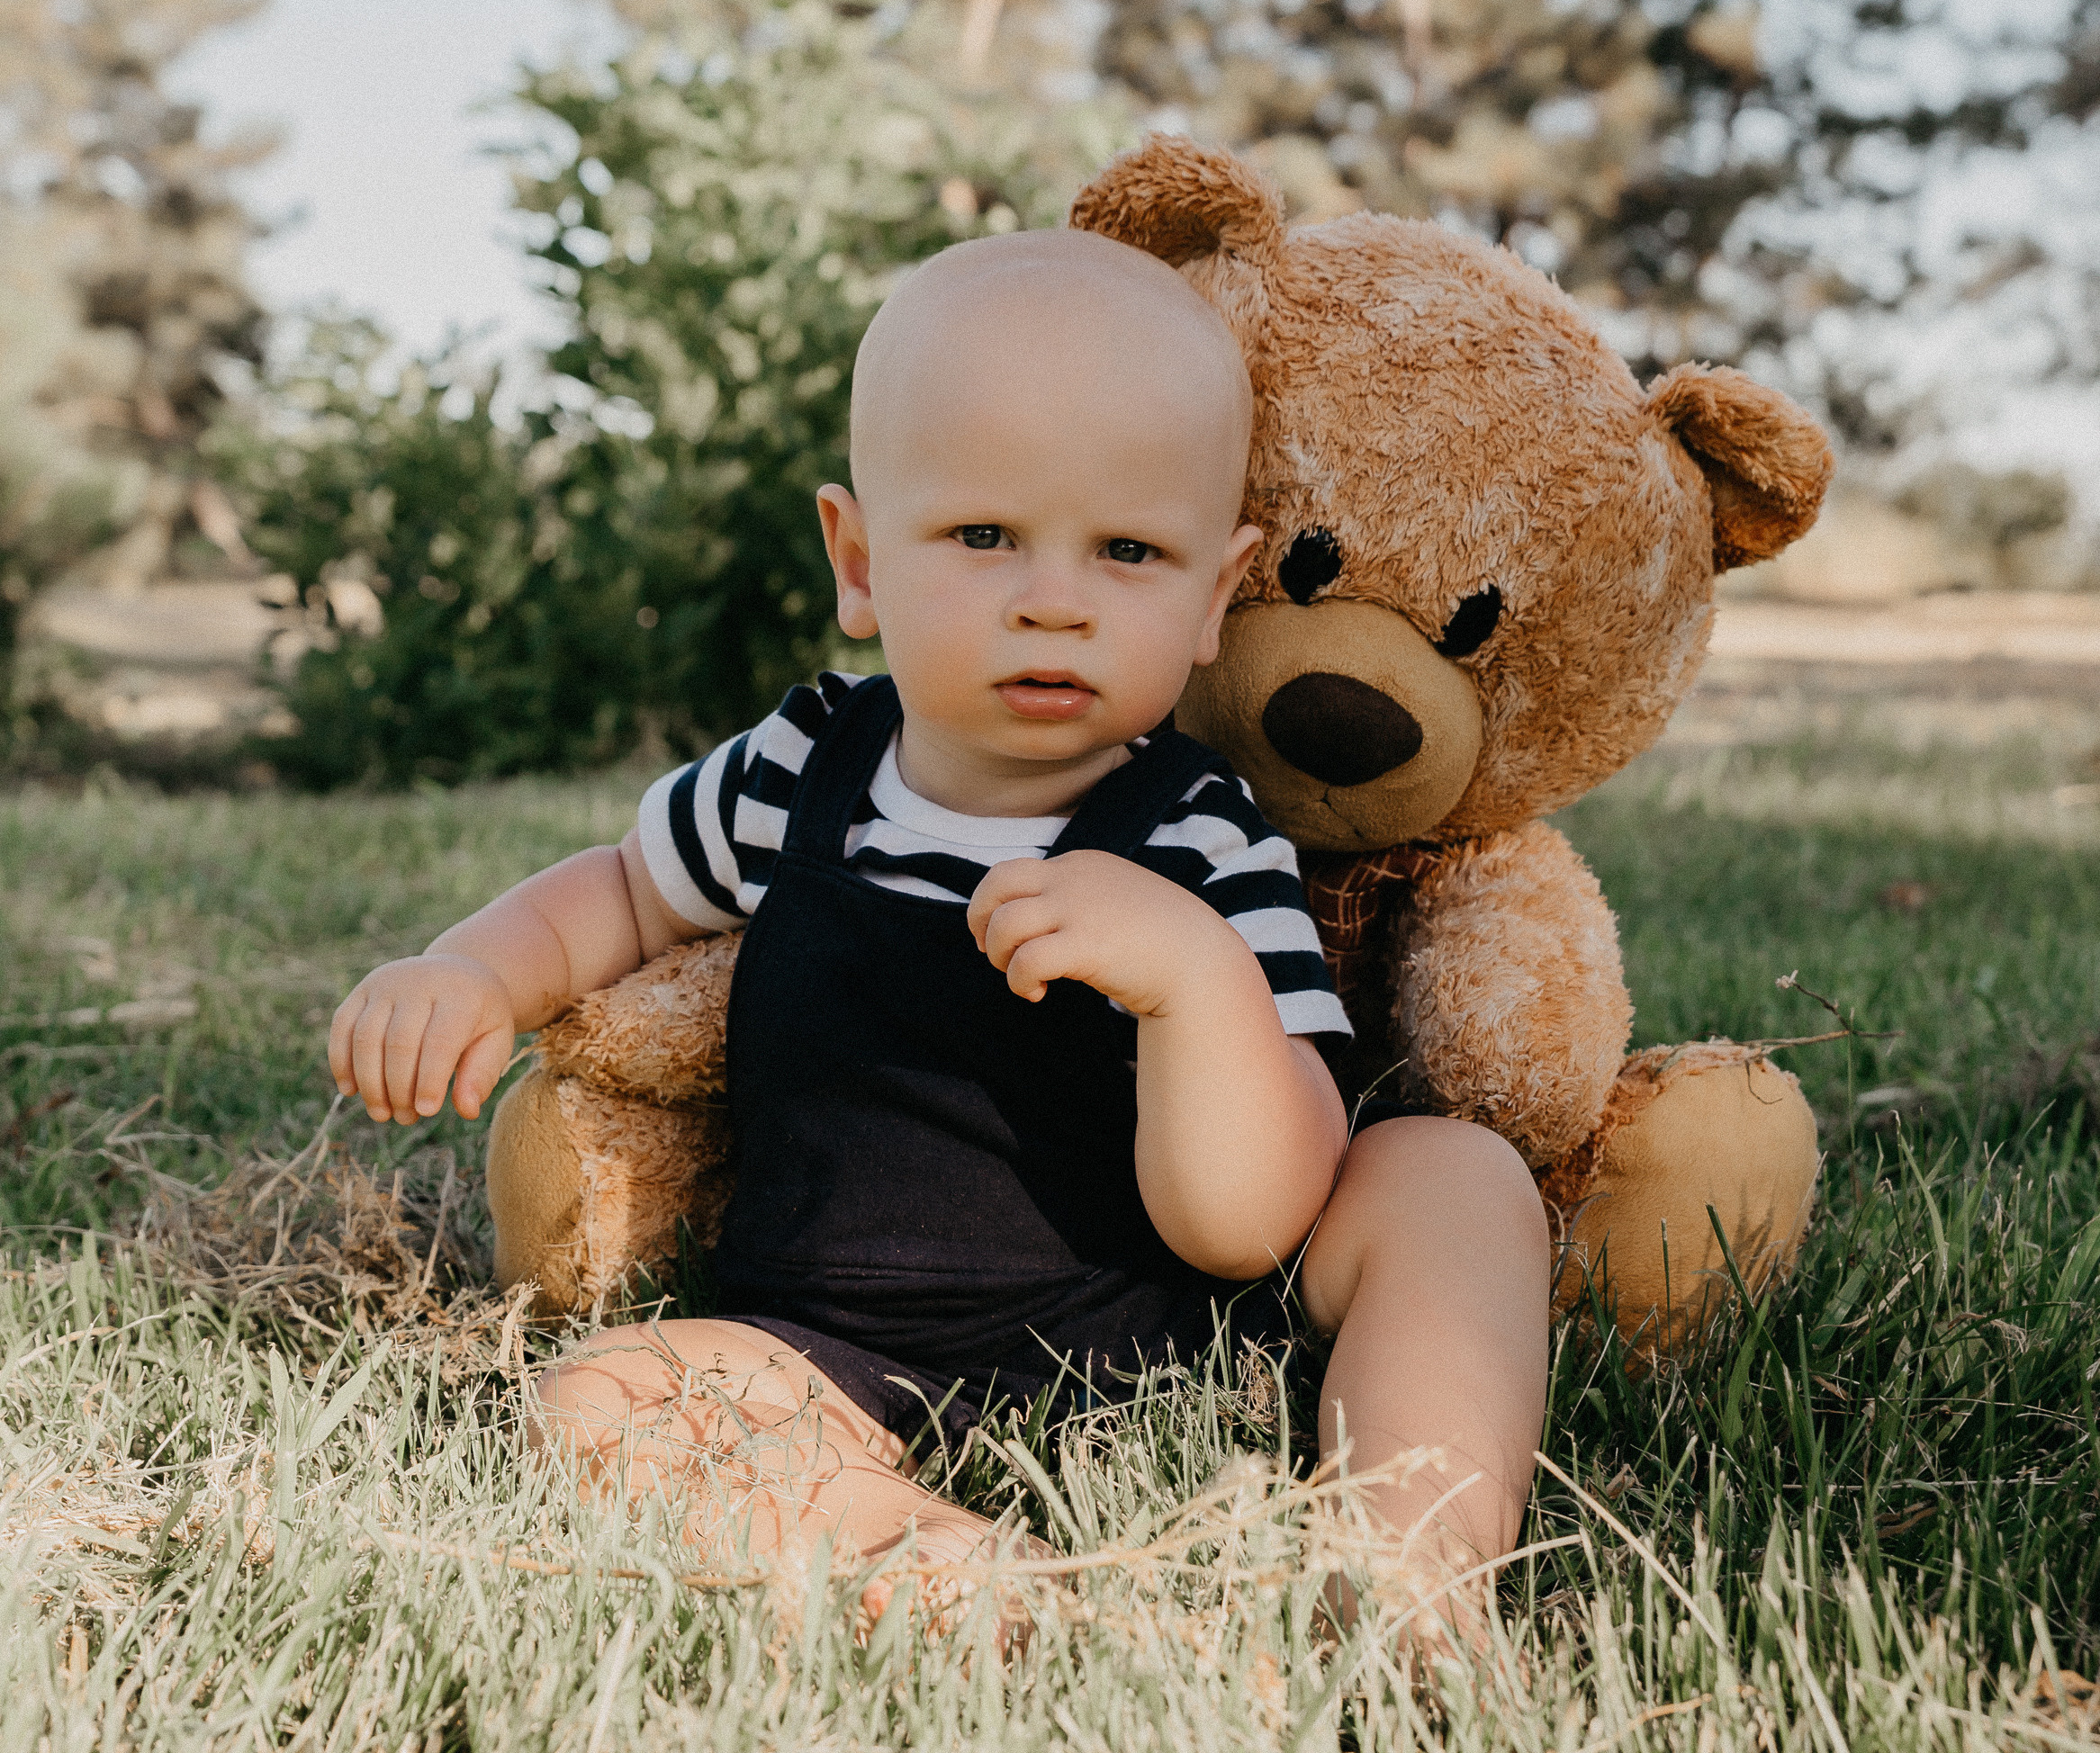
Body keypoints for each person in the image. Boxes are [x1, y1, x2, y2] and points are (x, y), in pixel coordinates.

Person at [328, 231, 1548, 1642]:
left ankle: (1405, 1567)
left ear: (1215, 597)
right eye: (982, 536)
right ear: (859, 560)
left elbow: (1246, 1227)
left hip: (1174, 1328)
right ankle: (978, 1581)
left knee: (1447, 1176)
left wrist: (1195, 985)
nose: (1053, 596)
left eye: (1129, 551)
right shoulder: (799, 772)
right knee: (595, 1404)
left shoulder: (1199, 835)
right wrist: (473, 968)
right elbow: (618, 888)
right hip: (828, 1349)